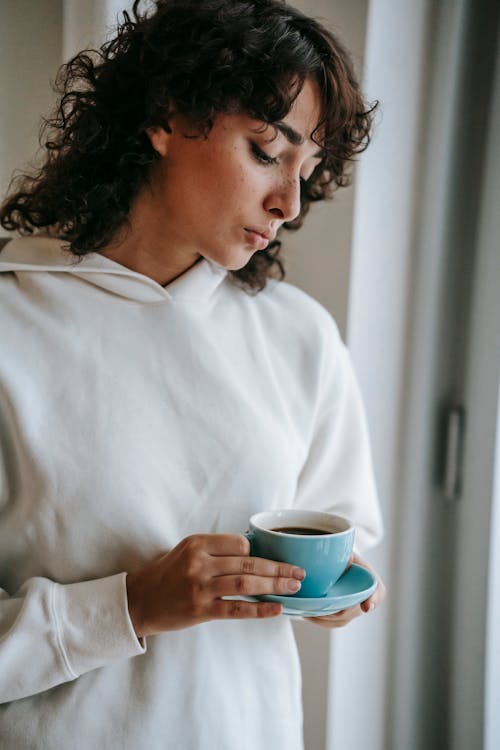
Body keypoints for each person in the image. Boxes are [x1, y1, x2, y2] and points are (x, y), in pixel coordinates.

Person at [0, 1, 385, 747]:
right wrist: (131, 606)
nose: (290, 203)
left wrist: (338, 591)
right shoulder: (11, 321)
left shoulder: (299, 334)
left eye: (309, 171)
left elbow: (348, 528)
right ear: (166, 117)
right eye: (268, 151)